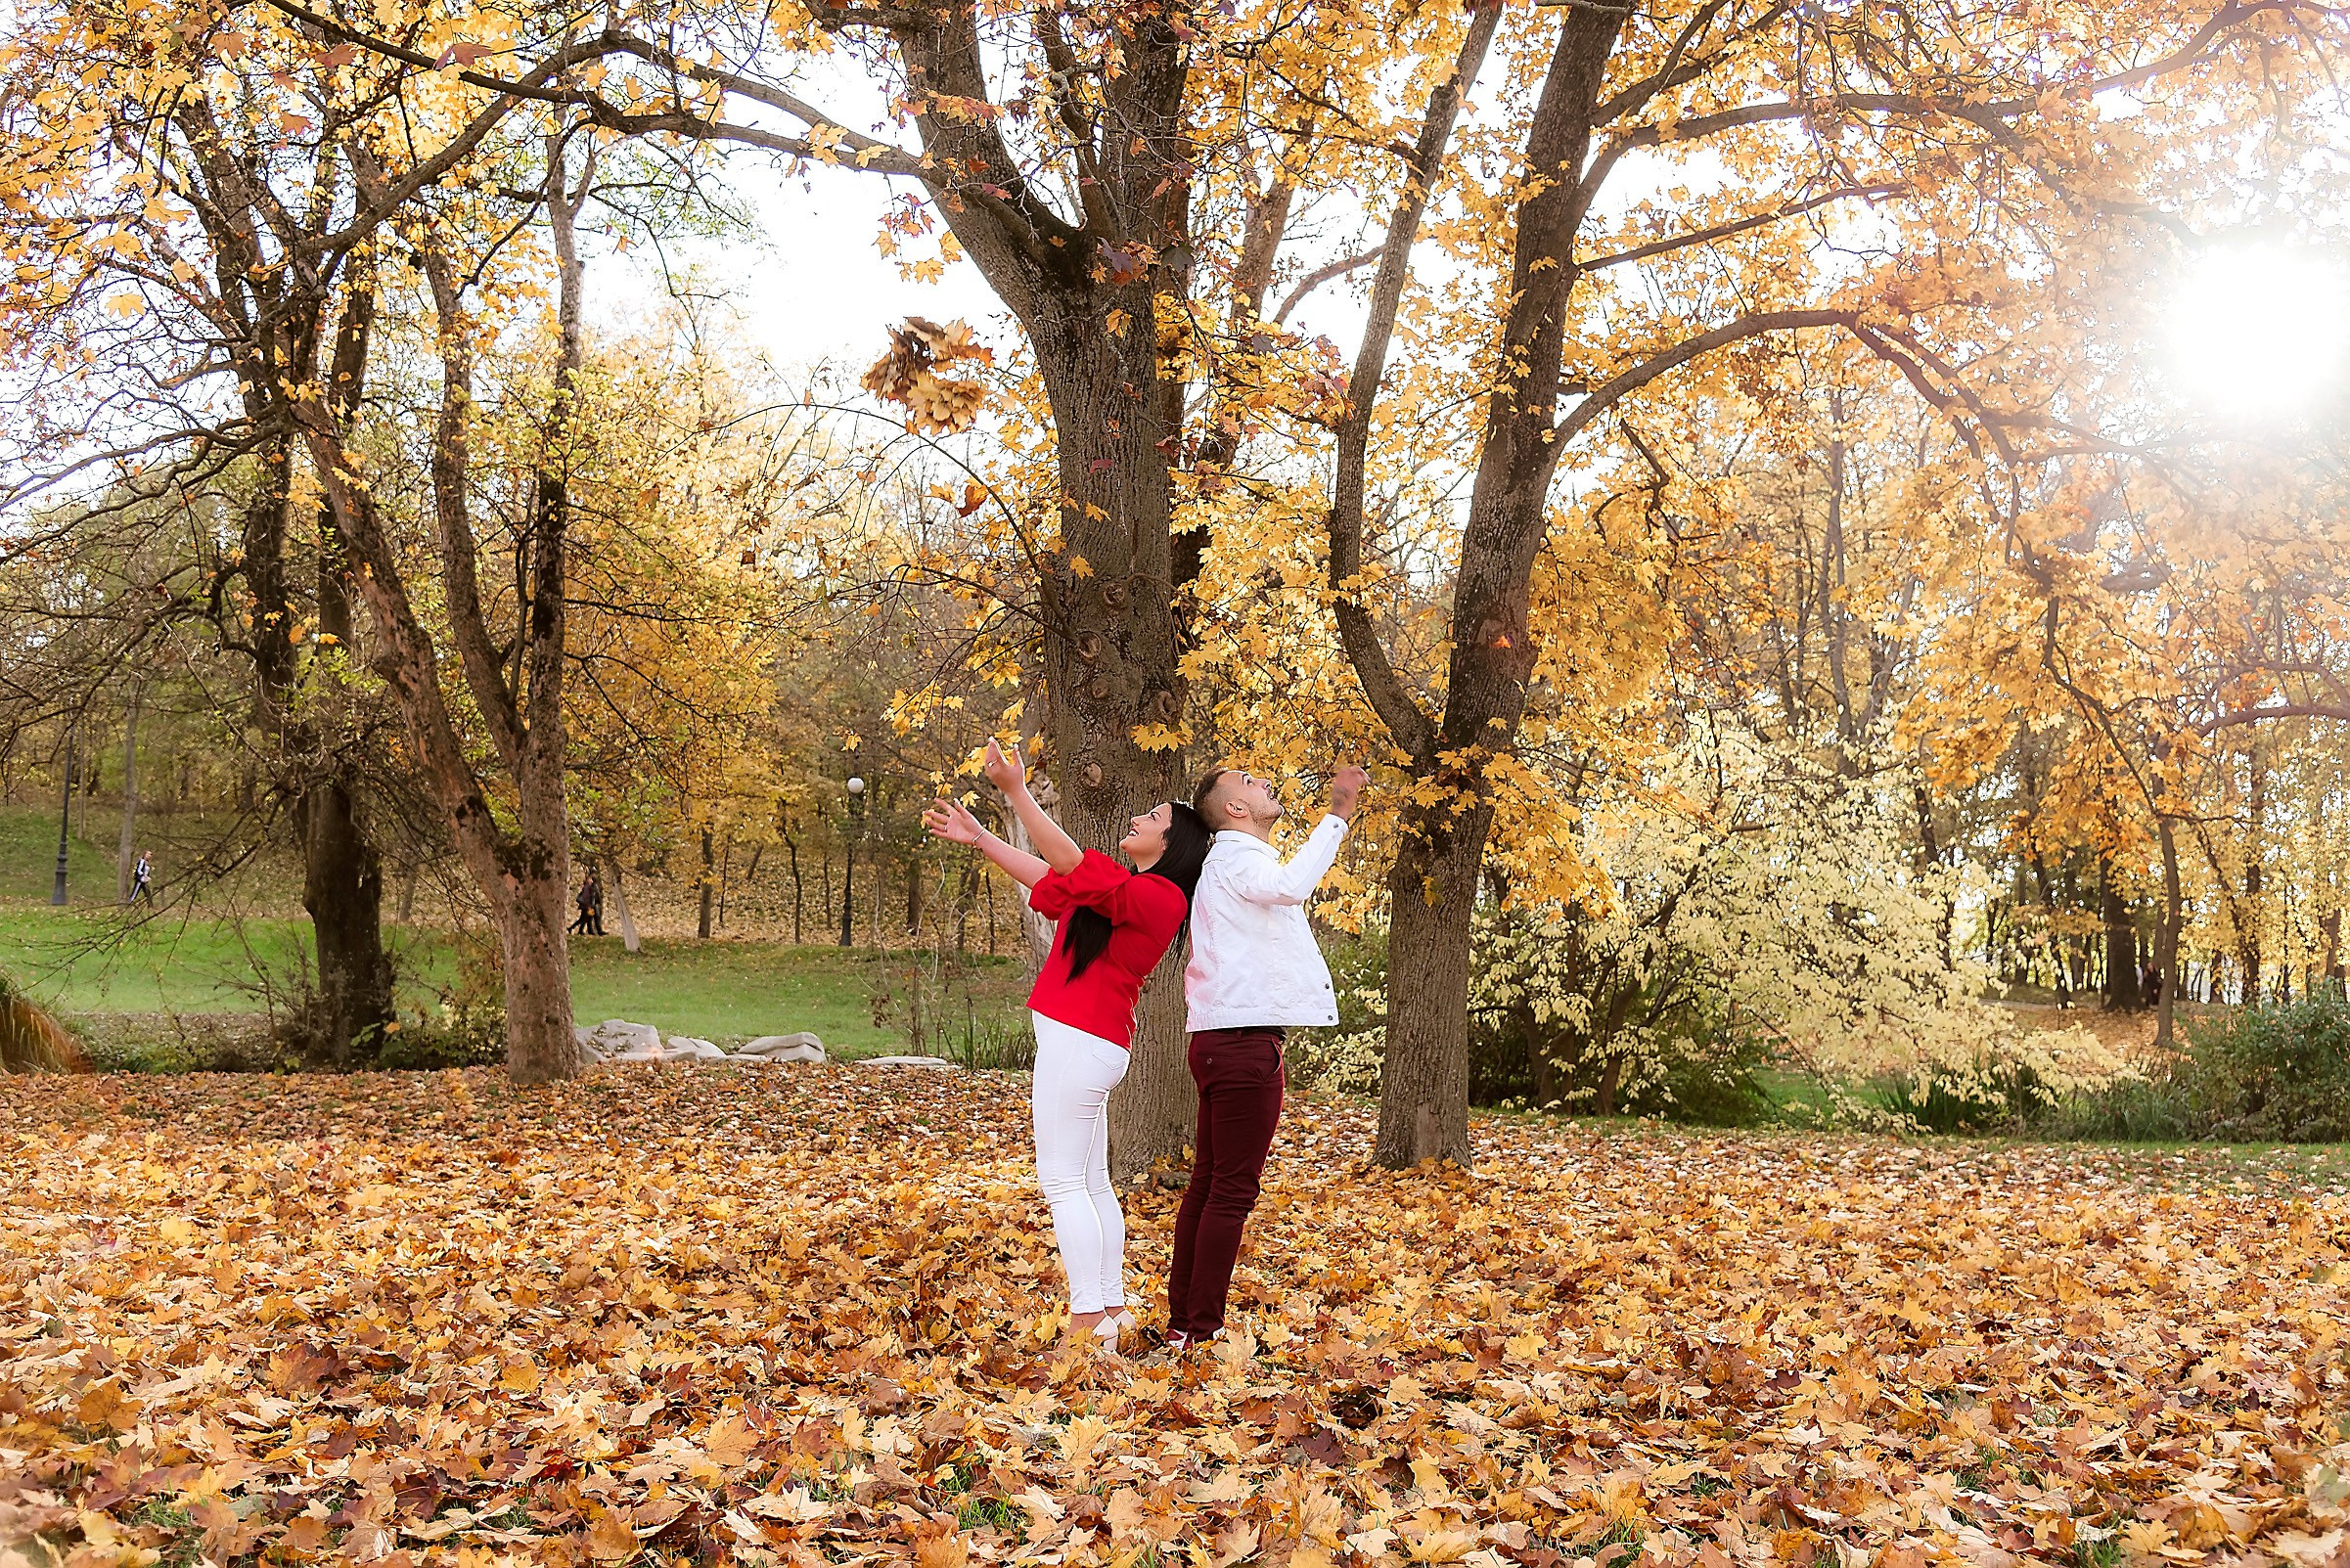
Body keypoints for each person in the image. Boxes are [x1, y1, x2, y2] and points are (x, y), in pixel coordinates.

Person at [924, 739, 1212, 1350]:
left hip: (1082, 1042)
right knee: (1090, 1182)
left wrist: (1017, 793)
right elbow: (1050, 875)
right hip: (1088, 1043)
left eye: (1154, 818)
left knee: (1061, 1180)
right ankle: (1110, 1307)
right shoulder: (1125, 890)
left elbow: (1071, 863)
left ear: (1174, 845)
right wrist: (981, 838)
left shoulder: (1161, 897)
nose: (1139, 819)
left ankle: (1087, 1319)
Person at [1165, 763, 1366, 1354]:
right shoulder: (1238, 855)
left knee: (1208, 1186)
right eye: (1249, 779)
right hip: (1241, 1042)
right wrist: (1339, 813)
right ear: (1234, 809)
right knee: (1229, 1191)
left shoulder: (1222, 864)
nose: (1264, 781)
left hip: (1219, 1038)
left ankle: (1185, 1325)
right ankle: (1198, 1332)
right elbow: (1290, 886)